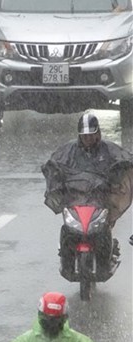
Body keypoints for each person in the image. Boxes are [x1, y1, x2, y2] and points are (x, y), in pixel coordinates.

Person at [42, 112, 133, 266]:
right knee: (67, 230)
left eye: (91, 135)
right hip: (75, 202)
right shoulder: (68, 151)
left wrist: (117, 178)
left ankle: (108, 251)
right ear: (79, 136)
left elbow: (126, 161)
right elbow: (54, 165)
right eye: (85, 136)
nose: (88, 139)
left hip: (101, 200)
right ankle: (66, 254)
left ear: (98, 133)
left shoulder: (109, 150)